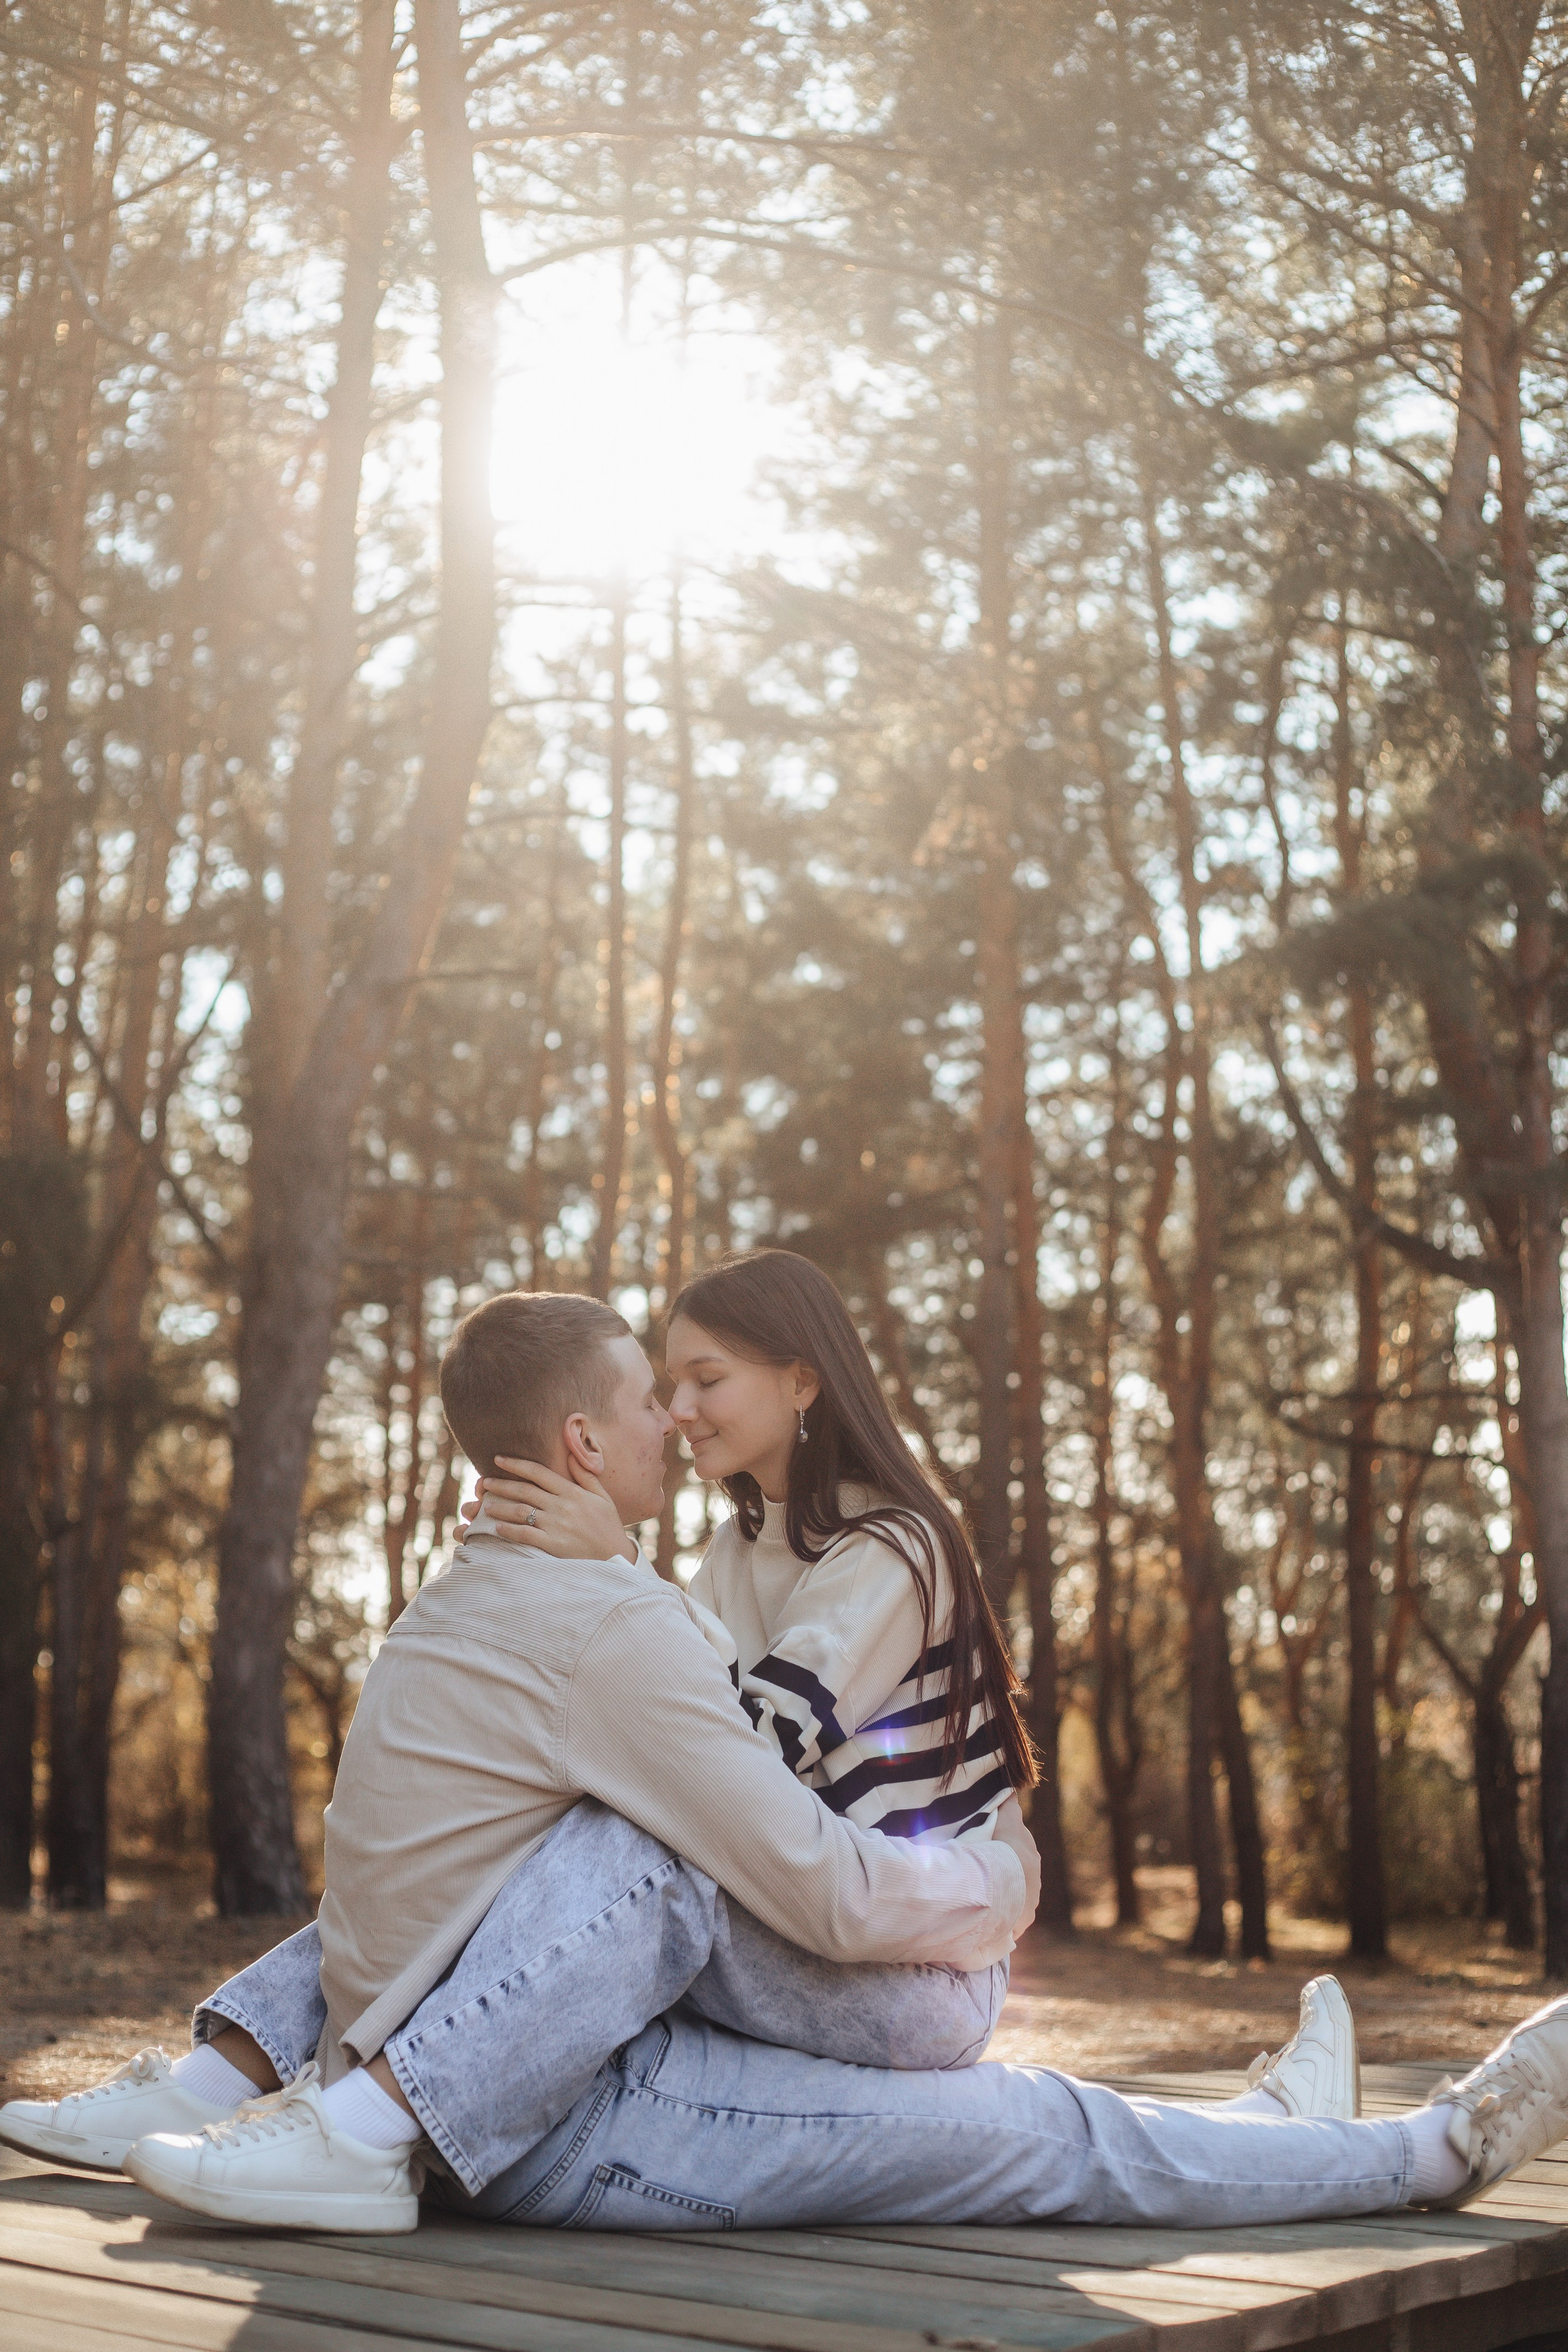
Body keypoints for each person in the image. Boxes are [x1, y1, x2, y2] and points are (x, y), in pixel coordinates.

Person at [9, 1270, 1568, 2233]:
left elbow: (752, 1794)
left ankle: (315, 2108)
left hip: (856, 1958)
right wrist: (624, 1592)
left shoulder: (856, 1554)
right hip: (600, 2061)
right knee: (652, 1858)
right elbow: (726, 1787)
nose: (676, 1417)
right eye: (654, 1391)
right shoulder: (653, 1591)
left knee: (649, 1853)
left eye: (703, 1383)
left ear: (797, 1382)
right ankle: (1407, 2153)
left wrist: (981, 1890)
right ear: (578, 1446)